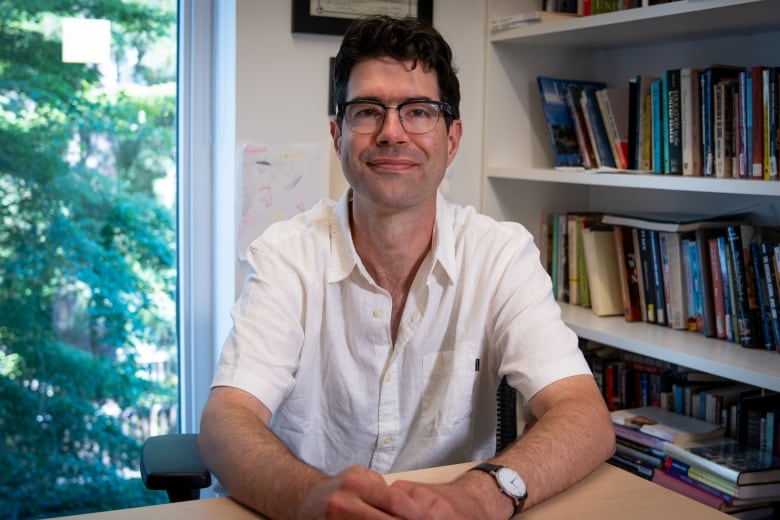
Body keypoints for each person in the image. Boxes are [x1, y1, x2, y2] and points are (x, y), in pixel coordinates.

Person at [199, 14, 615, 520]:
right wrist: (305, 497)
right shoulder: (286, 255)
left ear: (452, 138)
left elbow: (584, 416)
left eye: (418, 111)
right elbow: (227, 421)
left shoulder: (502, 256)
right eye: (368, 110)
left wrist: (481, 496)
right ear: (338, 133)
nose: (392, 133)